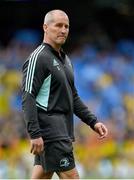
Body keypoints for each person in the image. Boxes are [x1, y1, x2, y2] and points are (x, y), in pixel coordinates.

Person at [22, 9, 108, 179]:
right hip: (51, 133)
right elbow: (28, 97)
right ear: (45, 27)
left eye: (66, 26)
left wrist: (93, 122)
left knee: (41, 176)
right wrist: (35, 134)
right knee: (72, 177)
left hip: (61, 131)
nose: (63, 30)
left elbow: (73, 97)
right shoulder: (38, 58)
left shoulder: (66, 60)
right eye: (58, 25)